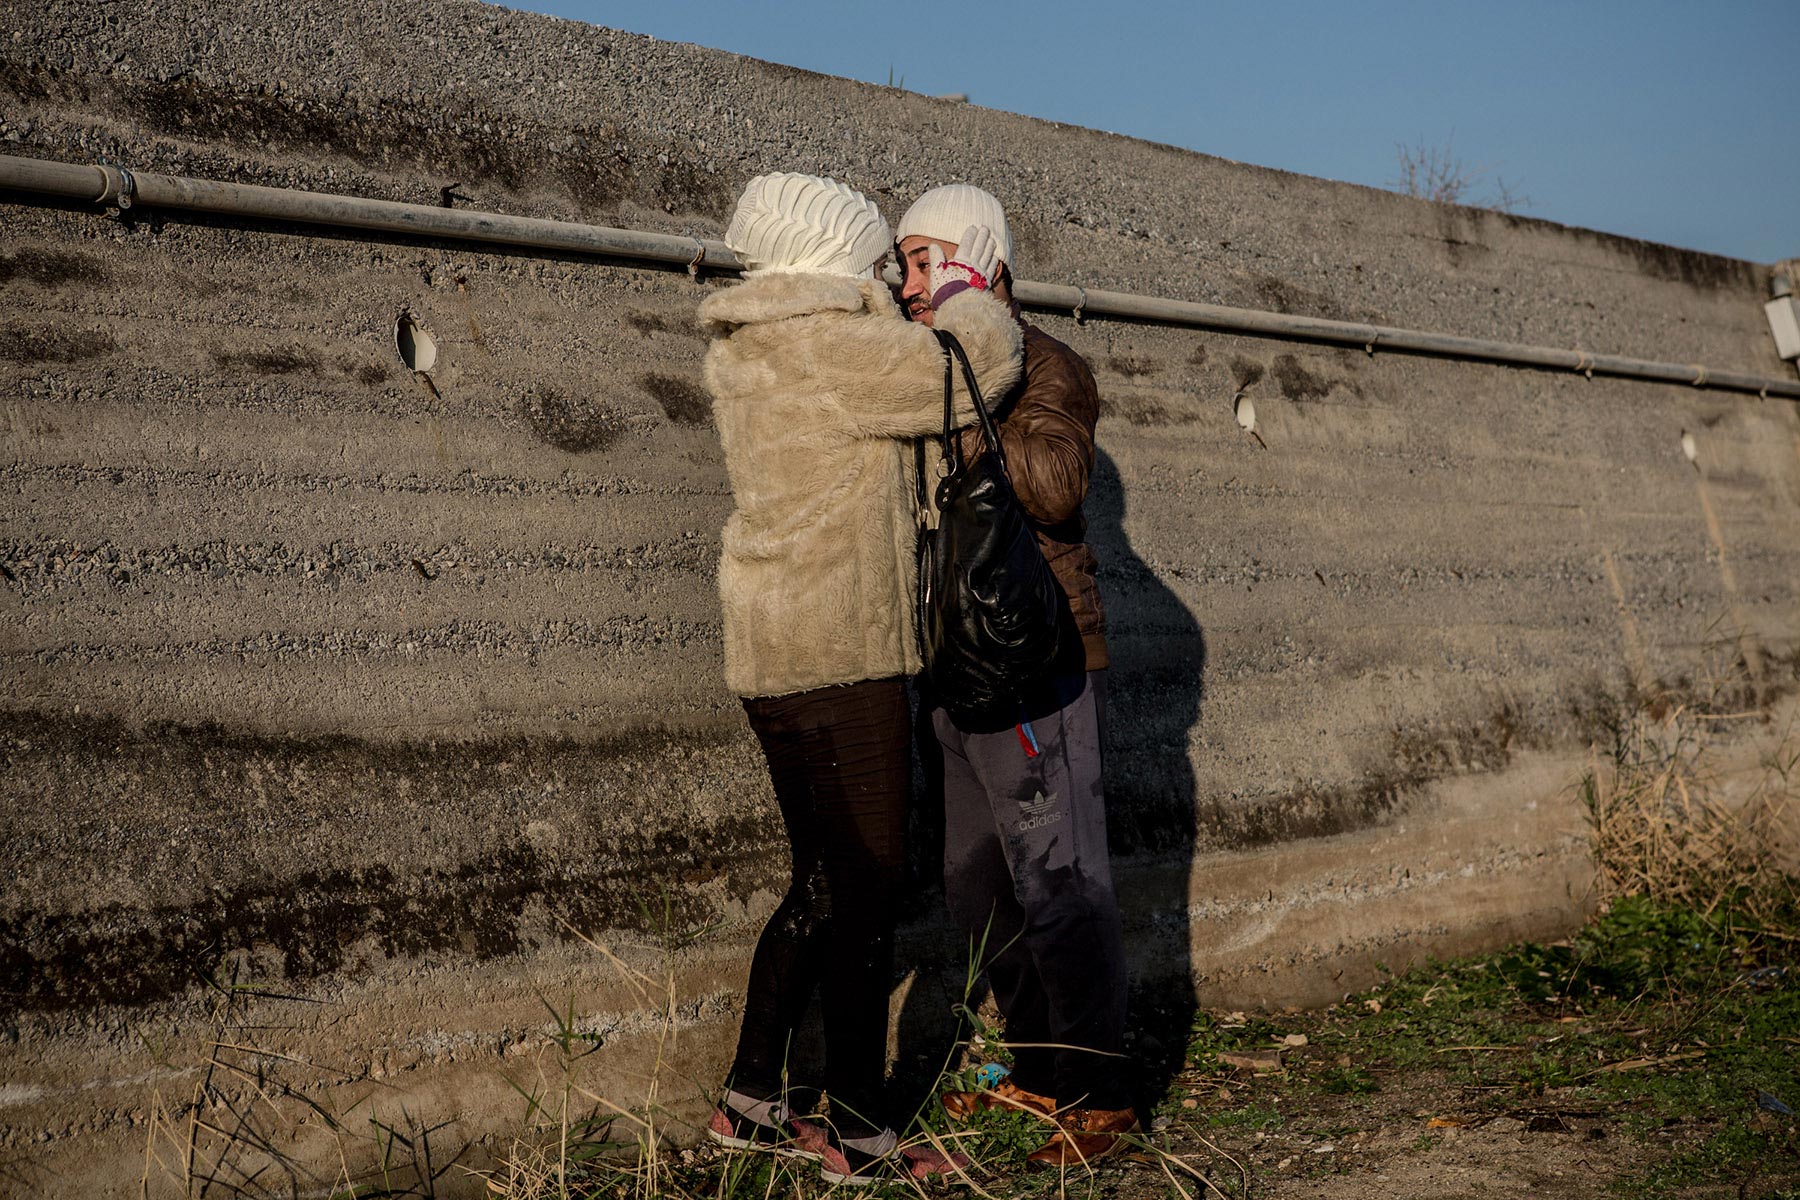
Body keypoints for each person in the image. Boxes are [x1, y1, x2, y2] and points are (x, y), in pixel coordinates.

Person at [698, 172, 1020, 1187]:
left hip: (773, 656)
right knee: (870, 884)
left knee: (823, 881)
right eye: (875, 254)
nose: (886, 272)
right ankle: (854, 1126)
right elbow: (973, 366)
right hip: (844, 655)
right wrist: (968, 291)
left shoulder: (754, 341)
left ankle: (751, 1098)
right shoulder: (828, 343)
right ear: (833, 253)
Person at [896, 184, 1139, 1168]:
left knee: (1060, 883)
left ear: (977, 261)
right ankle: (1038, 1072)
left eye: (924, 262)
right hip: (954, 668)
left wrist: (971, 369)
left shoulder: (1046, 365)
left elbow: (1053, 485)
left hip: (1038, 660)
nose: (907, 284)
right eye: (902, 265)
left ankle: (1101, 1098)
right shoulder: (919, 365)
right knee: (978, 891)